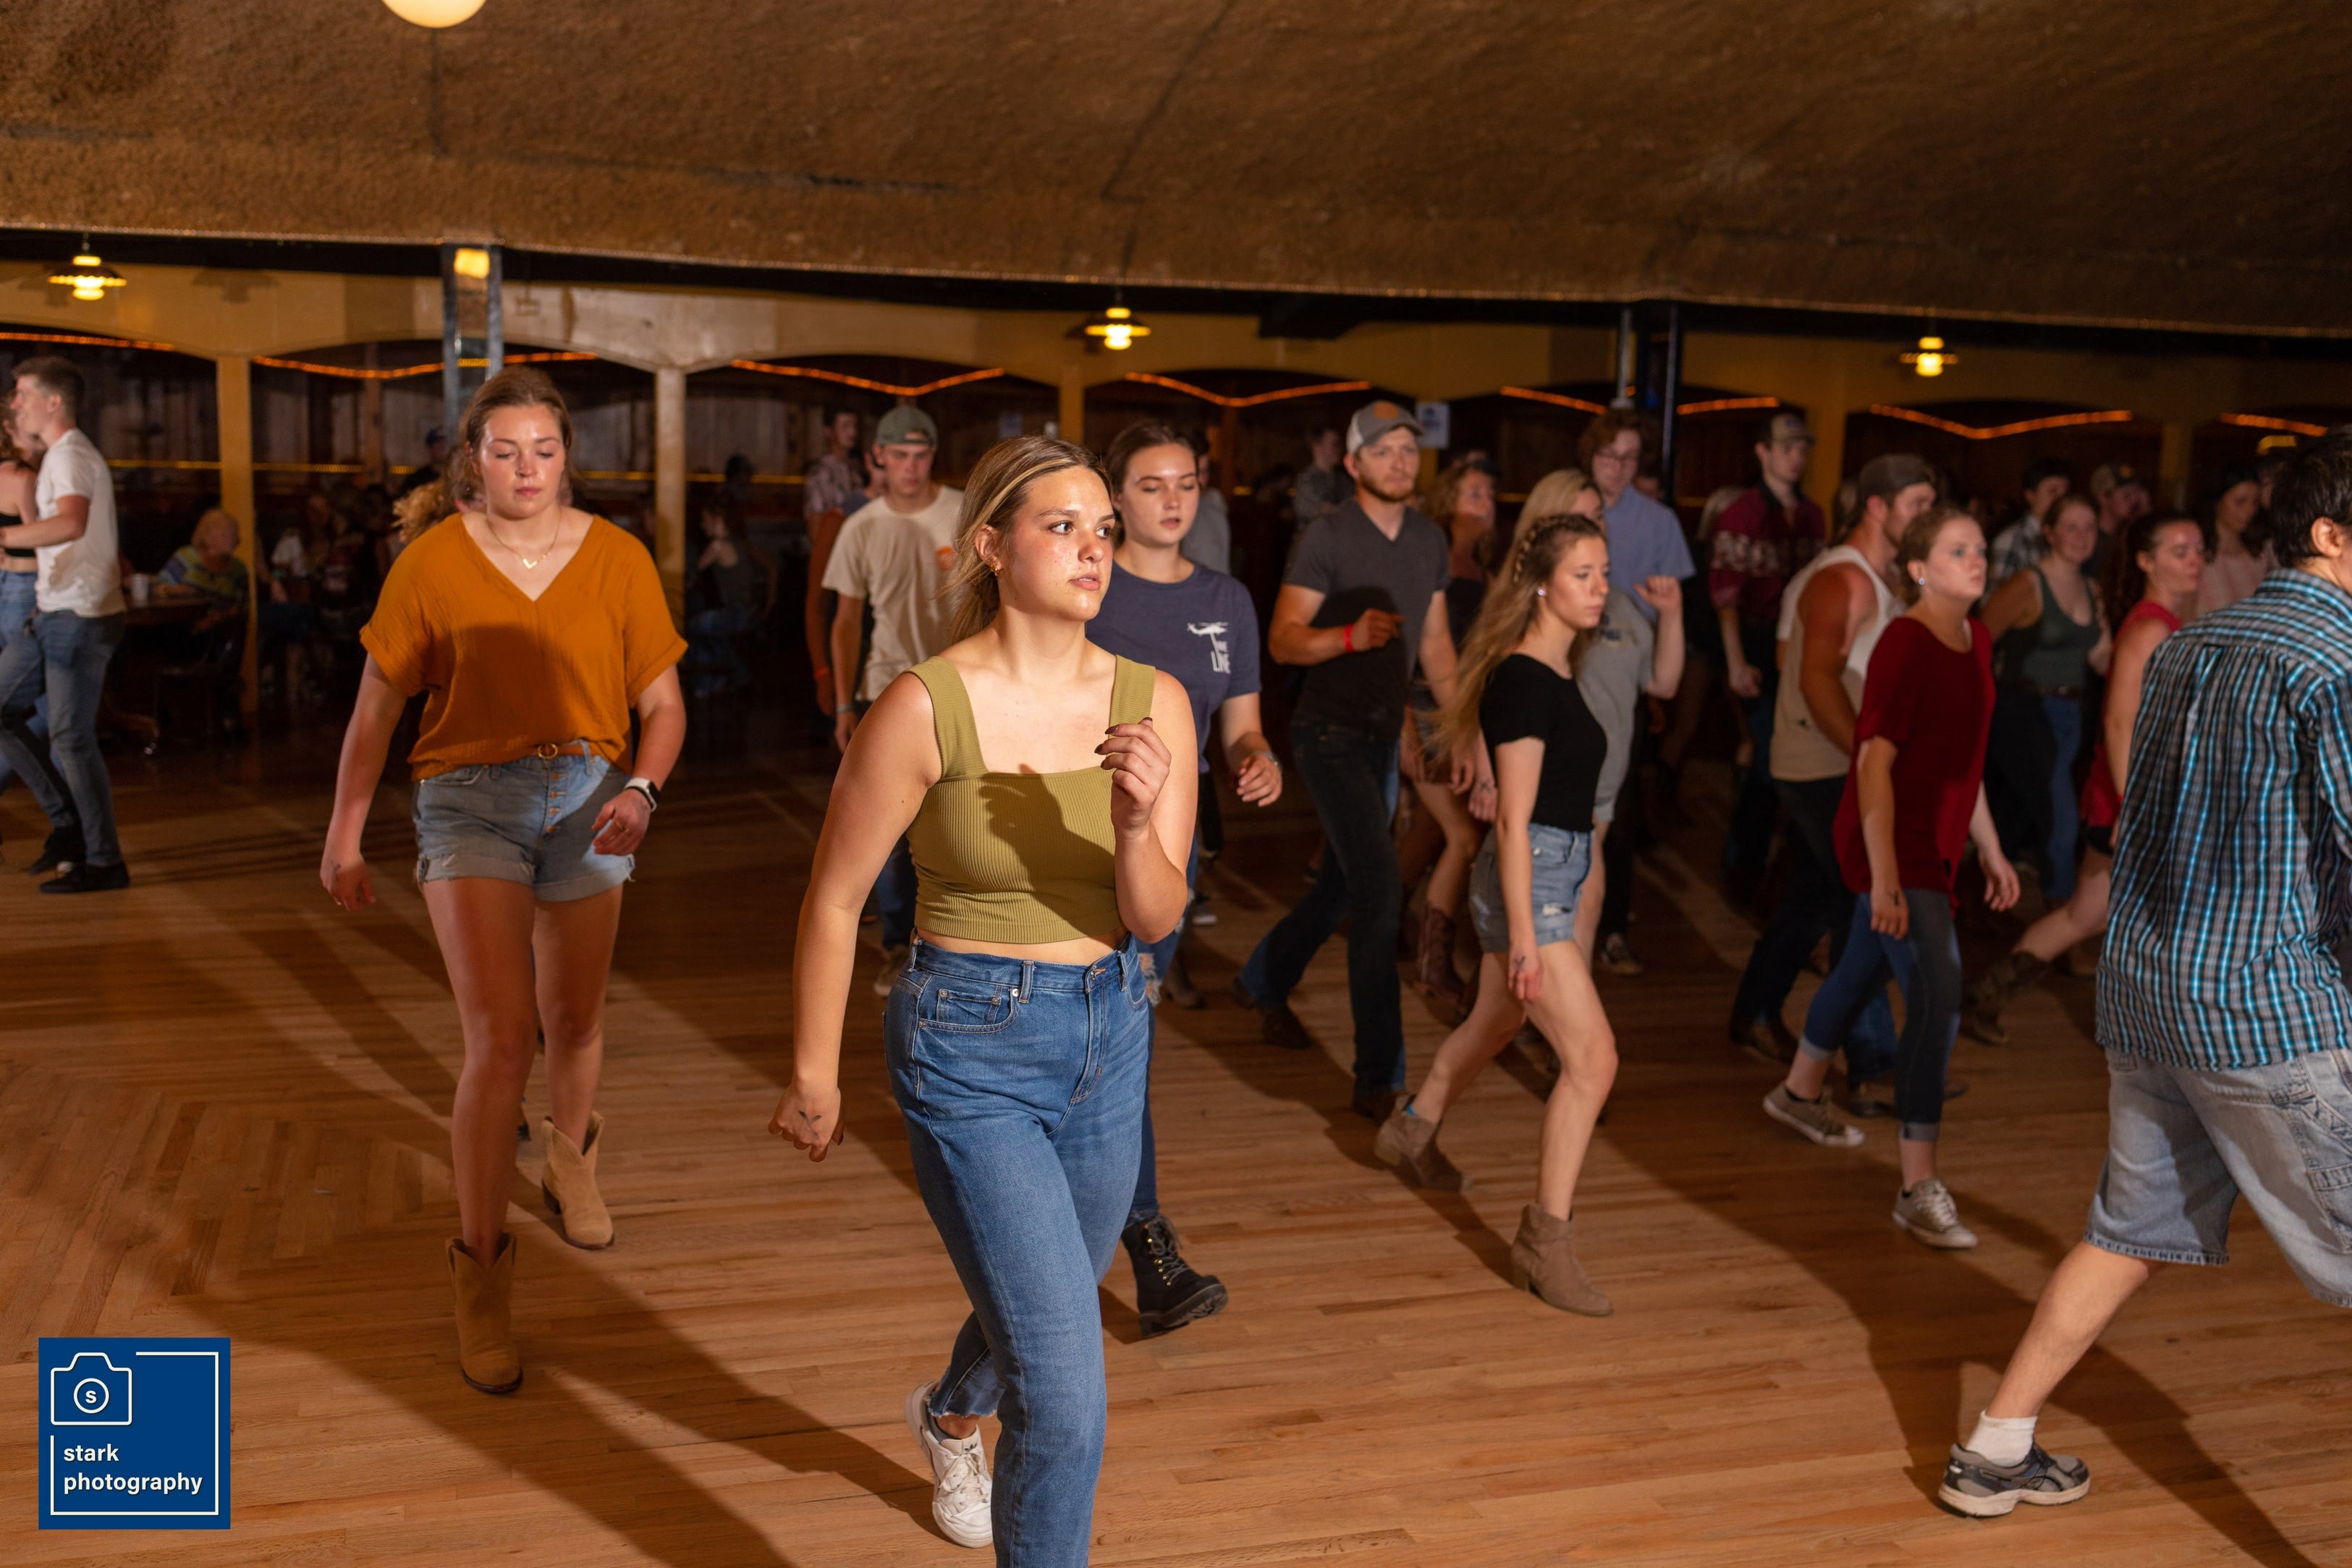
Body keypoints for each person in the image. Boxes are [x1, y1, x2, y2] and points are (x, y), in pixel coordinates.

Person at [769, 434, 1193, 1559]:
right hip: (969, 1041)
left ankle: (951, 1411)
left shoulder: (1155, 702)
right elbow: (833, 897)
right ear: (992, 547)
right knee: (1065, 1395)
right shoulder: (924, 705)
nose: (1093, 548)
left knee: (1046, 1301)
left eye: (1104, 529)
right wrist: (813, 1072)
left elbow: (1156, 915)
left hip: (1112, 1029)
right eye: (1062, 526)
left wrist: (1137, 823)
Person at [1938, 432, 2352, 1522]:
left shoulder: (2190, 644)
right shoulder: (2336, 660)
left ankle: (1994, 1445)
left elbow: (2145, 822)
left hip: (2150, 991)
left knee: (2128, 1234)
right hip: (2265, 1009)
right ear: (2329, 533)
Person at [319, 367, 688, 1396]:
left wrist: (644, 790)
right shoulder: (431, 562)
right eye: (505, 450)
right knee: (501, 1036)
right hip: (469, 797)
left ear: (566, 459)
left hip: (593, 793)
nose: (527, 468)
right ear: (471, 462)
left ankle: (570, 1161)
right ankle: (481, 1269)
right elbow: (375, 709)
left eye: (544, 449)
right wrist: (344, 835)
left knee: (574, 1017)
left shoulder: (616, 557)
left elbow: (662, 704)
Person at [1371, 512, 1633, 1313]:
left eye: (1603, 571)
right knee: (1593, 1059)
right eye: (1583, 574)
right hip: (1534, 880)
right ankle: (1544, 1242)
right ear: (1543, 585)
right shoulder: (1524, 680)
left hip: (1547, 872)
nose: (1600, 587)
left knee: (1494, 1023)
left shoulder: (1553, 667)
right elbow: (1513, 822)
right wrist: (1524, 934)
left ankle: (1412, 1128)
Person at [1761, 504, 2018, 1248]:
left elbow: (1963, 762)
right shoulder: (1904, 642)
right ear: (1917, 569)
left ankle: (1798, 1090)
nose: (1977, 560)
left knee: (1862, 968)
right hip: (1892, 841)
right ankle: (1916, 1186)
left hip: (1935, 842)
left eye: (1979, 548)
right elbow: (1873, 763)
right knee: (1937, 995)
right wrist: (1882, 878)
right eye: (1957, 551)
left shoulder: (1976, 639)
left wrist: (1992, 848)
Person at [1088, 420, 1280, 1339]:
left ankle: (1136, 1238)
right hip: (1075, 833)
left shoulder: (1225, 600)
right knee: (1098, 1037)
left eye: (1187, 483)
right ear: (1115, 496)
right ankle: (1135, 1237)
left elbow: (1238, 725)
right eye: (1152, 484)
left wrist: (1255, 758)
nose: (1173, 500)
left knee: (1124, 1038)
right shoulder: (1089, 585)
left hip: (1170, 844)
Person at [1234, 402, 1462, 1121]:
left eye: (1408, 449)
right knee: (1380, 891)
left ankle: (1263, 979)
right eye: (1384, 450)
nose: (1400, 461)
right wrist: (1350, 638)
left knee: (1341, 887)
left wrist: (1463, 730)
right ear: (1355, 463)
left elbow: (1436, 645)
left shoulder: (1427, 538)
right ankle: (1377, 1078)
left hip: (1382, 736)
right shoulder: (1328, 535)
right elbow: (1283, 639)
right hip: (1328, 734)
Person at [1961, 512, 2207, 1045]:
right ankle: (2148, 1032)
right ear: (2146, 561)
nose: (2195, 560)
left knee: (2089, 916)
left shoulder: (2165, 623)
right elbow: (2118, 722)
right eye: (2180, 550)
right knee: (2120, 917)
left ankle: (1983, 998)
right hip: (2131, 799)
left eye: (2198, 549)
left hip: (2135, 796)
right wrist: (2132, 806)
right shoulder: (2150, 628)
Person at [1724, 455, 1934, 1072]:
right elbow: (1814, 680)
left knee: (1817, 899)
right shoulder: (1842, 579)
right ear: (1877, 507)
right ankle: (1872, 1063)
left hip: (1841, 762)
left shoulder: (1886, 578)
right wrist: (1873, 758)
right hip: (1819, 765)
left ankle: (1755, 1012)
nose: (1928, 518)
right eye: (1918, 506)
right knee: (1865, 902)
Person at [823, 405, 965, 994]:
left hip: (961, 685)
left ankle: (952, 944)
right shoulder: (862, 526)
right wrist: (843, 704)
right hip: (885, 687)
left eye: (920, 455)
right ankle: (895, 946)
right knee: (887, 827)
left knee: (959, 818)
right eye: (899, 455)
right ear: (879, 457)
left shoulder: (963, 513)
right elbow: (846, 620)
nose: (910, 466)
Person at [0, 357, 129, 891]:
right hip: (55, 612)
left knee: (71, 739)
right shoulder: (58, 456)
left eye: (23, 394)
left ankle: (103, 861)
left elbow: (71, 522)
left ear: (53, 402)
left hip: (79, 616)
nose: (14, 403)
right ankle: (70, 827)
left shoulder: (71, 455)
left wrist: (3, 538)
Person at [1578, 409, 1696, 976]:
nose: (1619, 468)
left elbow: (1663, 626)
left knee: (1618, 815)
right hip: (1575, 673)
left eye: (1630, 458)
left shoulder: (1658, 521)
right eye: (1609, 456)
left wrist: (1649, 671)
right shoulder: (1570, 505)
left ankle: (1611, 931)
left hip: (1630, 666)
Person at [1709, 411, 1824, 897]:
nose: (1796, 458)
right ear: (1763, 451)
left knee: (1795, 754)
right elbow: (1726, 595)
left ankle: (1779, 868)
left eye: (1801, 449)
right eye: (1786, 448)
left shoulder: (1811, 514)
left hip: (1799, 642)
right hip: (1757, 640)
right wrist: (1736, 661)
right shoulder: (1742, 513)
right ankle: (1744, 867)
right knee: (1765, 756)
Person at [1400, 456, 1499, 1012]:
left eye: (1490, 494)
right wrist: (1405, 727)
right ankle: (1433, 967)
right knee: (1463, 836)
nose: (1487, 503)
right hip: (1427, 713)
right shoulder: (1431, 558)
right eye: (1475, 493)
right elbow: (1405, 645)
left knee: (1433, 832)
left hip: (1461, 715)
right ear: (1448, 501)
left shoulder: (1482, 569)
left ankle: (1380, 916)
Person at [1979, 493, 2110, 904]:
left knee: (2020, 812)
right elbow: (1979, 640)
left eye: (2089, 528)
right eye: (2071, 527)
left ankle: (1992, 903)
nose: (2081, 536)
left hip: (2072, 714)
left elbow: (2102, 657)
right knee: (2060, 819)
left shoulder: (2091, 587)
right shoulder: (2027, 583)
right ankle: (2064, 914)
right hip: (2025, 710)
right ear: (2049, 533)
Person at [803, 407, 867, 720]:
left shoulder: (856, 471)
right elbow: (817, 529)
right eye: (845, 425)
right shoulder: (821, 473)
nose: (851, 432)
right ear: (829, 431)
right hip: (830, 561)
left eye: (854, 425)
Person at [0, 426, 48, 795]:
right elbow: (40, 538)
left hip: (5, 586)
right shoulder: (24, 476)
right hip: (27, 587)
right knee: (53, 708)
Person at [685, 503, 772, 696]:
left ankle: (707, 683)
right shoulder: (739, 543)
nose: (702, 525)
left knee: (690, 627)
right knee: (712, 634)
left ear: (718, 521)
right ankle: (734, 675)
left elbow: (693, 572)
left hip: (736, 614)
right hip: (748, 612)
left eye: (705, 520)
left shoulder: (717, 546)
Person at [1987, 457, 2078, 589]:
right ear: (2030, 496)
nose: (2060, 500)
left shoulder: (2068, 538)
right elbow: (1996, 597)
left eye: (2065, 494)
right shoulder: (2012, 540)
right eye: (2052, 491)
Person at [2196, 460, 2267, 614]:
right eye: (2240, 502)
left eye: (2255, 502)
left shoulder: (2258, 556)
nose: (2250, 510)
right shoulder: (2198, 557)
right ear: (2217, 501)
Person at [1289, 423, 1350, 541]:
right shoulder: (1306, 480)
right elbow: (1320, 512)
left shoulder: (1343, 480)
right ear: (1317, 447)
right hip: (1315, 545)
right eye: (1334, 444)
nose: (1339, 449)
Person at [1181, 440, 1232, 576]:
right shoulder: (1172, 510)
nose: (1202, 480)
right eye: (1195, 472)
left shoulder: (1214, 502)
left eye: (1205, 471)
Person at [393, 426, 448, 500]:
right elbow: (403, 501)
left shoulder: (453, 477)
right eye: (439, 446)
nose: (443, 450)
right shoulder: (417, 479)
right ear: (430, 449)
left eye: (444, 445)